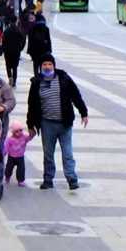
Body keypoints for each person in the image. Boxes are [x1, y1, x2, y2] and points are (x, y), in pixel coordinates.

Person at [27, 53, 88, 191]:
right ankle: (48, 180)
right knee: (48, 154)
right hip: (47, 124)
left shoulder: (63, 78)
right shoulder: (37, 83)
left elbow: (75, 95)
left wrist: (83, 112)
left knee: (67, 154)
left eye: (50, 64)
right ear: (40, 67)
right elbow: (32, 105)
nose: (47, 67)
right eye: (44, 64)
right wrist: (31, 125)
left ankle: (72, 179)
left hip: (64, 123)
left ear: (54, 65)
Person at [4, 120, 35, 186]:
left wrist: (32, 132)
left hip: (20, 157)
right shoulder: (10, 139)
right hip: (11, 157)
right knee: (8, 168)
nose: (19, 132)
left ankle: (21, 180)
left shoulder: (24, 137)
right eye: (16, 131)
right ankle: (7, 176)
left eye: (20, 130)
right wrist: (4, 153)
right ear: (13, 132)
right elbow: (6, 147)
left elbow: (30, 137)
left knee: (21, 169)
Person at [2, 15, 25, 87]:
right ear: (16, 21)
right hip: (16, 51)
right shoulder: (19, 30)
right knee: (15, 67)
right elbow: (23, 40)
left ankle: (10, 78)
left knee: (8, 65)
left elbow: (3, 41)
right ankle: (14, 81)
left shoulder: (6, 30)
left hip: (7, 51)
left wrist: (4, 48)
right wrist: (21, 48)